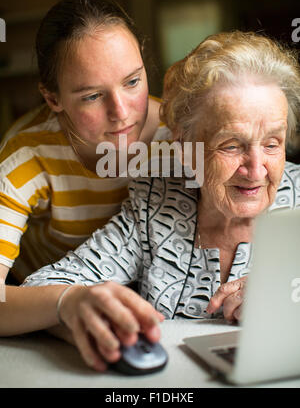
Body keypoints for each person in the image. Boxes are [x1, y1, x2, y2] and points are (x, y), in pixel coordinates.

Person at [2, 30, 300, 373]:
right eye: (231, 145)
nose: (256, 168)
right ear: (185, 148)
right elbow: (45, 286)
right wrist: (77, 306)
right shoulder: (155, 207)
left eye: (272, 143)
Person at [0, 0, 169, 285]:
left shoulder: (182, 137)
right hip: (38, 300)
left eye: (132, 81)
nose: (121, 112)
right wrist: (67, 304)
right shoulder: (27, 154)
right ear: (53, 98)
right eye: (92, 96)